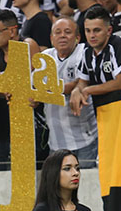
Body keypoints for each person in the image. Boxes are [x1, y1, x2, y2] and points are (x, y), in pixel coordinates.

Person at [41, 17, 98, 169]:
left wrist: (50, 90)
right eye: (57, 33)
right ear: (52, 39)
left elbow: (80, 81)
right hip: (56, 141)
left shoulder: (84, 52)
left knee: (86, 185)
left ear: (78, 37)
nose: (62, 36)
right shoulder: (45, 57)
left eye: (67, 32)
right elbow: (37, 87)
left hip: (86, 138)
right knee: (59, 187)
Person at [70, 5, 121, 127]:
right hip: (103, 115)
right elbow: (83, 81)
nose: (91, 35)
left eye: (97, 30)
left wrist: (88, 90)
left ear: (109, 31)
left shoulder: (118, 44)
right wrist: (77, 90)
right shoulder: (87, 51)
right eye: (88, 30)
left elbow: (120, 82)